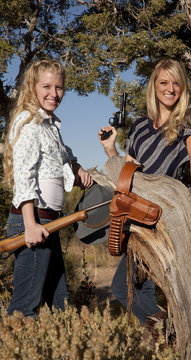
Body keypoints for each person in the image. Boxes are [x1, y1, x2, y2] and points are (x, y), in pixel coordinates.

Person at [98, 58, 191, 326]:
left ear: (182, 86)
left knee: (123, 287)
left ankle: (163, 328)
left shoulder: (190, 116)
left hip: (162, 214)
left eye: (175, 82)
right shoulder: (139, 126)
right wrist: (110, 150)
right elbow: (127, 171)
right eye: (164, 82)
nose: (170, 88)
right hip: (135, 213)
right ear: (154, 86)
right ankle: (162, 332)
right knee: (134, 287)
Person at [2, 59, 93, 317]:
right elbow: (24, 176)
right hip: (32, 221)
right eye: (47, 87)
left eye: (59, 88)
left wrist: (77, 169)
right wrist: (30, 225)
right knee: (24, 307)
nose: (54, 94)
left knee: (60, 302)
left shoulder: (51, 125)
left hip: (50, 223)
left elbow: (64, 158)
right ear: (32, 87)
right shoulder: (29, 122)